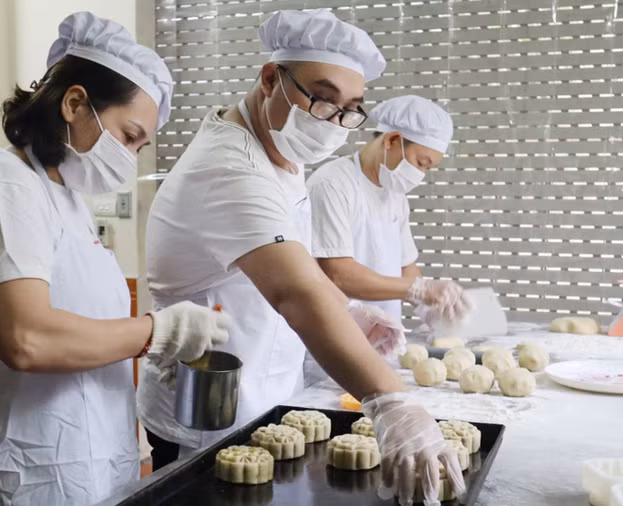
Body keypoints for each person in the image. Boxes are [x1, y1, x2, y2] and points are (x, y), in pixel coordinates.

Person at [138, 10, 465, 505]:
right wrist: (392, 400)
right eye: (321, 99)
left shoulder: (282, 158)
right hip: (207, 410)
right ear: (270, 78)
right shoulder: (232, 168)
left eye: (350, 109)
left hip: (264, 395)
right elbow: (293, 291)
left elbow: (294, 264)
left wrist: (347, 310)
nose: (334, 122)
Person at [0, 12, 230, 506]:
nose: (133, 156)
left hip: (87, 473)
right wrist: (157, 331)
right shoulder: (4, 185)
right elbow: (26, 339)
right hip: (14, 478)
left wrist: (159, 351)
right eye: (130, 134)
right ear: (76, 103)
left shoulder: (68, 202)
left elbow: (87, 334)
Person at [307, 95, 470, 325]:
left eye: (428, 168)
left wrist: (430, 308)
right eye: (421, 163)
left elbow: (406, 266)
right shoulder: (333, 184)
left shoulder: (395, 194)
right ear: (392, 140)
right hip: (335, 337)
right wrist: (418, 290)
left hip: (385, 336)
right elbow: (339, 273)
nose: (421, 174)